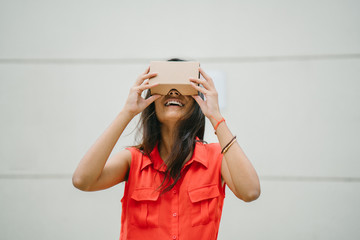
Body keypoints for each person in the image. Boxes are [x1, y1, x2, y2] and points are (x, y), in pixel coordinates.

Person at [72, 59, 260, 240]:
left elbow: (250, 192)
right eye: (166, 87)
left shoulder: (216, 157)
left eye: (182, 87)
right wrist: (127, 112)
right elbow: (82, 181)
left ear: (196, 103)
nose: (174, 92)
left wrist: (215, 116)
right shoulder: (134, 160)